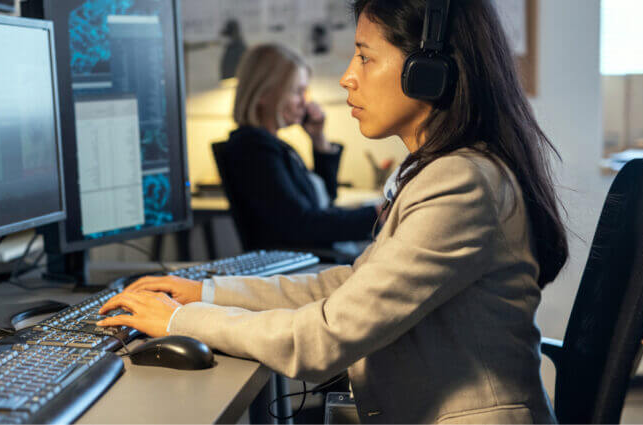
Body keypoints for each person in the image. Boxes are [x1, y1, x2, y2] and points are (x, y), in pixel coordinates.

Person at [97, 0, 568, 423]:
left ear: (429, 72)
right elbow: (347, 287)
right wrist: (206, 292)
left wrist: (178, 322)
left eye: (364, 56)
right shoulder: (444, 170)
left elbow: (322, 339)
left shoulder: (460, 182)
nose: (348, 76)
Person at [217, 43, 382, 258]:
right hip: (303, 260)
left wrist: (318, 138)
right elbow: (302, 225)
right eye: (298, 91)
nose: (305, 103)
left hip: (315, 252)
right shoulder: (254, 150)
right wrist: (376, 216)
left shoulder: (274, 146)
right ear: (265, 94)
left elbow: (325, 200)